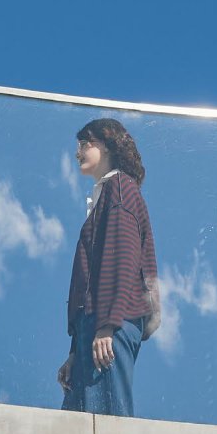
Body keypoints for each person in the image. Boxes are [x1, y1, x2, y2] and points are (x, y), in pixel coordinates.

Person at [57, 118, 159, 417]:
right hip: (97, 326)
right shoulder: (108, 194)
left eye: (84, 143)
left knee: (109, 424)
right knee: (80, 425)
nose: (78, 152)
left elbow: (122, 259)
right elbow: (92, 280)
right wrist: (75, 351)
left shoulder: (120, 189)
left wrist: (107, 325)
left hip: (110, 323)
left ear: (108, 145)